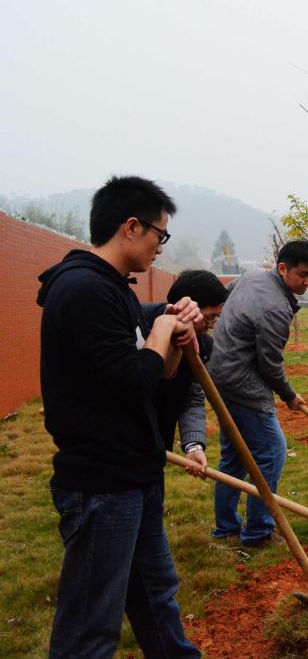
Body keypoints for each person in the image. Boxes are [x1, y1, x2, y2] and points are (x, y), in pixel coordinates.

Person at [37, 175, 202, 657]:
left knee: (156, 597)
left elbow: (158, 376)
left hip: (134, 473)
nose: (160, 247)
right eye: (159, 234)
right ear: (131, 227)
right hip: (101, 483)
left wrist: (176, 339)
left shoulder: (115, 290)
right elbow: (132, 380)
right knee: (91, 626)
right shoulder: (84, 291)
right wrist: (162, 329)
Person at [207, 240, 308, 547]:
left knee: (234, 455)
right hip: (242, 383)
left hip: (218, 375)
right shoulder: (275, 308)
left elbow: (223, 299)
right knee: (271, 452)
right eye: (303, 274)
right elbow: (269, 364)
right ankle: (258, 532)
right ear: (282, 268)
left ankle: (226, 528)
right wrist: (289, 395)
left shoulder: (252, 275)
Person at [146, 270, 229, 478]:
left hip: (156, 452)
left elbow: (191, 397)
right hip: (122, 450)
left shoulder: (202, 346)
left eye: (216, 317)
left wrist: (193, 445)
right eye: (208, 317)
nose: (211, 326)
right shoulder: (144, 332)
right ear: (187, 309)